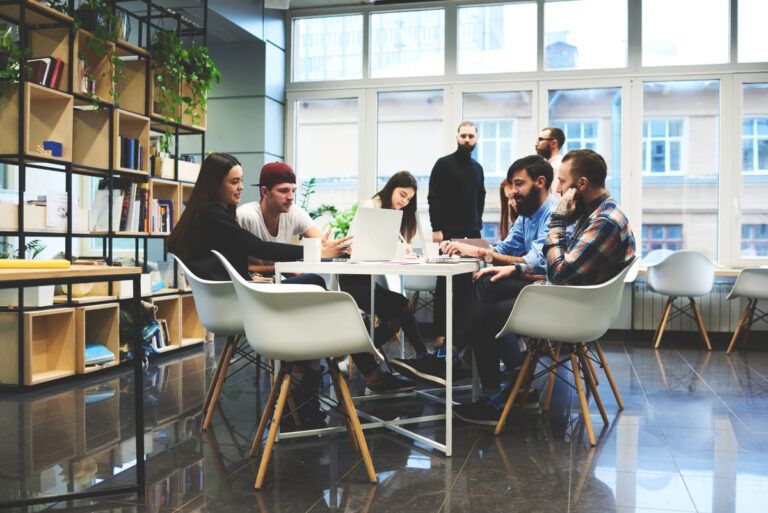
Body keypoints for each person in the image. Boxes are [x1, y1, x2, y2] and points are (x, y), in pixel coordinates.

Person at [452, 149, 636, 425]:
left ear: (581, 185)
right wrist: (515, 269)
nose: (558, 189)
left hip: (575, 310)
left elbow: (559, 272)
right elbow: (556, 268)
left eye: (561, 182)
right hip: (568, 298)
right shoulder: (593, 214)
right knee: (489, 286)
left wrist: (558, 221)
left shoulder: (603, 221)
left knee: (488, 310)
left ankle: (457, 364)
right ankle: (484, 374)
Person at [167, 153, 350, 426]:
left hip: (233, 298)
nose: (241, 187)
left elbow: (239, 258)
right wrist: (316, 254)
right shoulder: (212, 214)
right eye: (234, 182)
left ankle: (308, 383)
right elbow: (257, 247)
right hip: (239, 303)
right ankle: (316, 375)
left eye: (240, 181)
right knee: (314, 283)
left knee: (310, 290)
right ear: (215, 184)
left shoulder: (210, 213)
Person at [393, 156, 557, 387]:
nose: (512, 192)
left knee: (487, 283)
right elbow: (504, 248)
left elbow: (535, 262)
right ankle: (492, 395)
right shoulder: (527, 215)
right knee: (486, 313)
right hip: (529, 285)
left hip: (549, 290)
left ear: (540, 182)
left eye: (519, 184)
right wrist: (465, 247)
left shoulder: (554, 214)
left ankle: (445, 358)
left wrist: (480, 253)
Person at [341, 171, 426, 395]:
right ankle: (423, 358)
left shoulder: (389, 213)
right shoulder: (372, 206)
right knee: (400, 307)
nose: (404, 201)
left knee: (397, 314)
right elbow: (362, 245)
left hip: (366, 278)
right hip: (353, 279)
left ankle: (363, 357)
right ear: (392, 187)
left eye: (409, 199)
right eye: (402, 195)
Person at [428, 121, 486, 349]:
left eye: (471, 136)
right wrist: (436, 229)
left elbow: (480, 199)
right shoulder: (443, 164)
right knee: (444, 285)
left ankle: (463, 335)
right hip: (448, 233)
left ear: (476, 139)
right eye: (463, 135)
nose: (467, 140)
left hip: (472, 233)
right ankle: (441, 333)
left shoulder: (478, 168)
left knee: (468, 287)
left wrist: (478, 224)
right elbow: (434, 197)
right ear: (457, 137)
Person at [237, 162, 323, 275]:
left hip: (277, 282)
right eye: (283, 191)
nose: (291, 197)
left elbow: (322, 242)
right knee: (314, 280)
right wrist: (279, 269)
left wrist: (342, 248)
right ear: (265, 192)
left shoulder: (294, 212)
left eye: (293, 191)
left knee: (314, 280)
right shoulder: (245, 216)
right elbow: (231, 265)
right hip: (249, 286)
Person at [535, 127, 566, 198]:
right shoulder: (550, 164)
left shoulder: (558, 165)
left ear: (554, 143)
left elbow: (556, 197)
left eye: (540, 140)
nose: (536, 144)